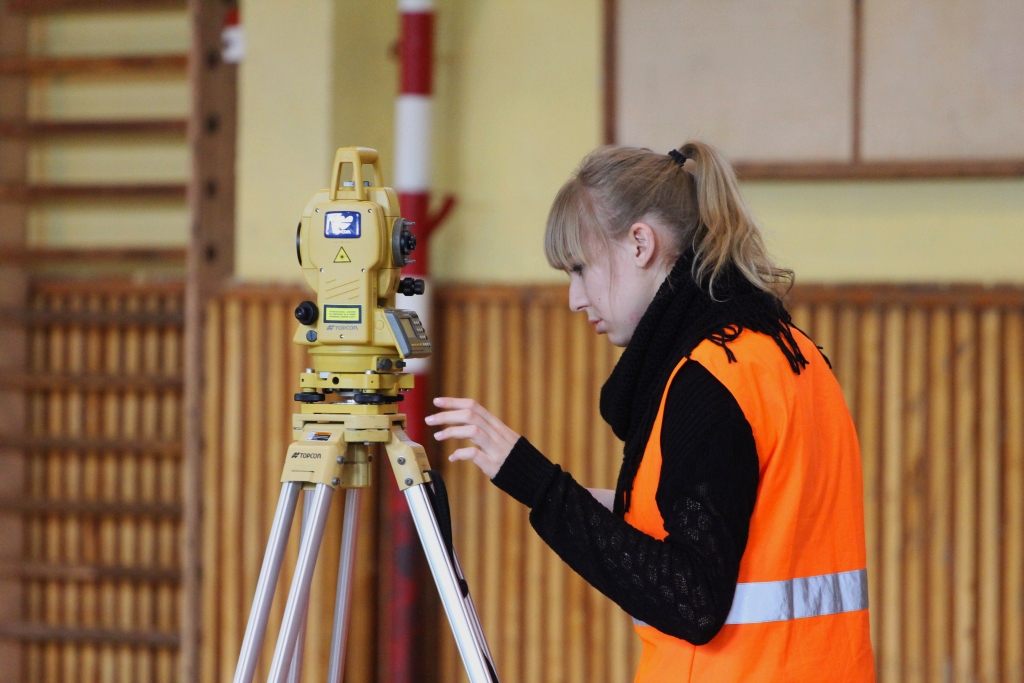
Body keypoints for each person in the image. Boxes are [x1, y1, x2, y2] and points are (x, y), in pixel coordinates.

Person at [424, 141, 876, 682]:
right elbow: (732, 518)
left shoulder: (708, 379)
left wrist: (537, 482)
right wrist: (585, 498)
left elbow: (692, 599)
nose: (573, 298)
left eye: (580, 267)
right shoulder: (793, 353)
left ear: (640, 243)